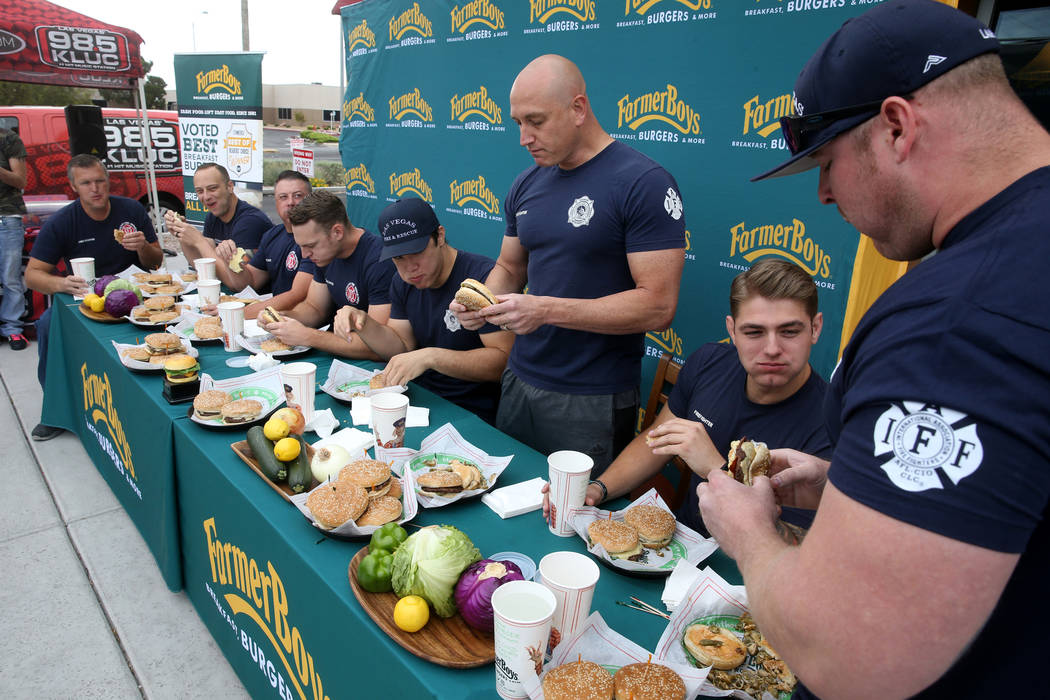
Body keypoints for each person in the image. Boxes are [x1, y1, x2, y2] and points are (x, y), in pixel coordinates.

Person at [697, 2, 1050, 697]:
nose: (824, 194)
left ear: (896, 127)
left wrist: (750, 536)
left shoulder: (958, 319)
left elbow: (847, 657)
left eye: (826, 162)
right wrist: (859, 490)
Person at [451, 54, 686, 475]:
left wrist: (544, 310)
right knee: (508, 500)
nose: (524, 137)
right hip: (519, 379)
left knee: (575, 524)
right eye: (517, 122)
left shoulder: (643, 183)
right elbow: (509, 267)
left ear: (578, 109)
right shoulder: (527, 182)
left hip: (592, 397)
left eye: (536, 121)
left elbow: (658, 306)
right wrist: (480, 302)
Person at [541, 258, 831, 533]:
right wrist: (597, 489)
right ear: (732, 330)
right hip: (683, 548)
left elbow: (791, 548)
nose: (771, 348)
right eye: (754, 332)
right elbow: (657, 441)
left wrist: (715, 469)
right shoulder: (709, 362)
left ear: (815, 328)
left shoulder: (834, 423)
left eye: (789, 331)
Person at [333, 198, 514, 424]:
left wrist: (432, 357)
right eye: (398, 257)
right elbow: (401, 345)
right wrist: (363, 323)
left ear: (439, 236)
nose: (410, 268)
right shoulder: (402, 282)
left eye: (416, 252)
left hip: (473, 411)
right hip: (418, 401)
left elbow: (503, 363)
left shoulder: (483, 278)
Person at [25, 154, 163, 441]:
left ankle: (148, 407)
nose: (95, 188)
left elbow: (155, 261)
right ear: (74, 187)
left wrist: (141, 248)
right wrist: (63, 283)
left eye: (100, 181)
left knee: (167, 318)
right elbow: (33, 275)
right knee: (49, 324)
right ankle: (54, 409)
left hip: (133, 294)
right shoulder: (63, 221)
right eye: (86, 183)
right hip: (83, 296)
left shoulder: (131, 210)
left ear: (109, 181)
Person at [261, 190, 394, 358]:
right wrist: (282, 318)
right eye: (300, 246)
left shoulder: (379, 261)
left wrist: (309, 336)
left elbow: (378, 348)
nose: (304, 255)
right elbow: (315, 308)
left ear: (337, 232)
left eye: (310, 245)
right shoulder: (324, 254)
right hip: (339, 354)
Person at [209, 170, 314, 319]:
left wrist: (237, 313)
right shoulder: (272, 235)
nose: (290, 202)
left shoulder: (316, 240)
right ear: (276, 203)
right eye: (283, 197)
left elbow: (296, 295)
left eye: (298, 196)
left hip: (303, 322)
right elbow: (250, 281)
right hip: (274, 319)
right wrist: (230, 260)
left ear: (310, 199)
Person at [166, 162, 271, 262]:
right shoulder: (212, 218)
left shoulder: (250, 221)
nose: (206, 197)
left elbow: (238, 276)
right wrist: (181, 233)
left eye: (212, 188)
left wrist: (198, 240)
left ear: (230, 187)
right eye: (200, 191)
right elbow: (201, 262)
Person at [0, 125, 28, 350]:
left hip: (6, 216)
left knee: (10, 277)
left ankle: (12, 328)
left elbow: (21, 180)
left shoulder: (8, 137)